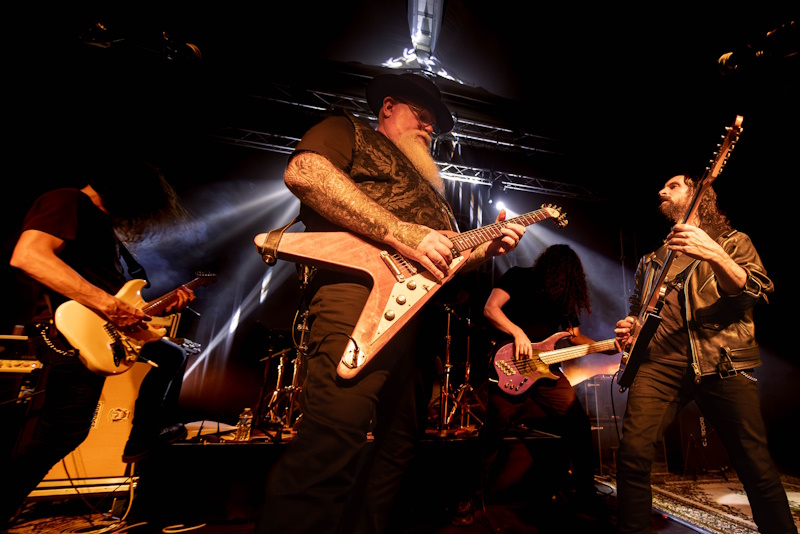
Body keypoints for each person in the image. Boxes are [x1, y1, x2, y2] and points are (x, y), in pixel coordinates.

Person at [254, 72, 526, 534]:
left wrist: (486, 250)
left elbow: (445, 263)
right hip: (356, 297)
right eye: (422, 116)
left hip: (418, 320)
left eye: (434, 124)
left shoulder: (435, 195)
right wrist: (399, 231)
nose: (429, 128)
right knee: (332, 440)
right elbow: (306, 172)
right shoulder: (347, 130)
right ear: (388, 107)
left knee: (397, 448)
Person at [0, 156, 194, 529]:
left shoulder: (101, 226)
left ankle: (142, 437)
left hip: (97, 328)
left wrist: (150, 306)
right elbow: (28, 255)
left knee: (171, 355)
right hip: (67, 330)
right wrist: (109, 305)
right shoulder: (67, 199)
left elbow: (114, 296)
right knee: (59, 435)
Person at [613, 174, 795, 533]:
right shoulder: (652, 260)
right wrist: (632, 324)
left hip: (721, 361)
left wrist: (714, 254)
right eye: (663, 186)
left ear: (698, 194)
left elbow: (753, 293)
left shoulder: (732, 241)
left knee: (754, 465)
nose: (662, 190)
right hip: (657, 365)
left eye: (673, 186)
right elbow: (639, 309)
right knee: (632, 456)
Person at [472, 244, 617, 524]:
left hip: (546, 373)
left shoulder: (563, 297)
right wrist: (518, 333)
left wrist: (608, 347)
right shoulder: (518, 276)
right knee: (491, 436)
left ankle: (585, 496)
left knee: (578, 425)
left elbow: (574, 337)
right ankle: (470, 497)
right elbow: (490, 309)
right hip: (512, 368)